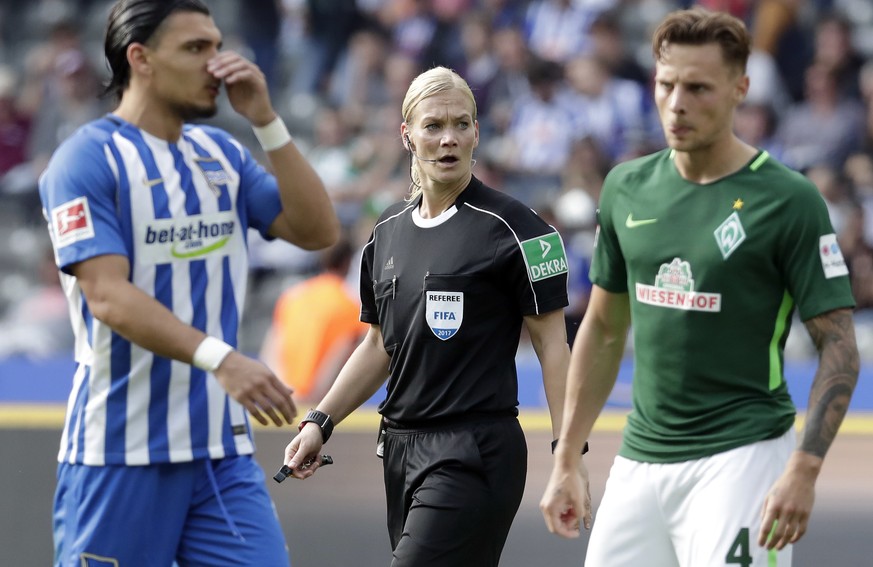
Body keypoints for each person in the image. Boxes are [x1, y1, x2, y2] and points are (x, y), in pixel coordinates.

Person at [540, 8, 859, 567]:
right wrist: (567, 454)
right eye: (666, 84)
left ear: (741, 89)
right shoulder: (626, 187)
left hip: (745, 459)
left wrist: (804, 469)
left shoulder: (789, 201)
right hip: (640, 461)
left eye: (698, 87)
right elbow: (605, 329)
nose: (677, 102)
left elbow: (839, 344)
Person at [38, 1, 340, 565]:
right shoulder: (84, 160)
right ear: (141, 58)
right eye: (195, 48)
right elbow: (107, 295)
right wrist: (222, 359)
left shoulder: (221, 154)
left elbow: (317, 229)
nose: (217, 64)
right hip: (120, 450)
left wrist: (266, 122)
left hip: (218, 453)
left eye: (217, 46)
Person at [281, 66, 572, 567]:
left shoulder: (522, 230)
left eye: (462, 124)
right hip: (399, 449)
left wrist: (570, 454)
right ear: (407, 135)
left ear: (477, 133)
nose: (448, 139)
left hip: (476, 450)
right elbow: (377, 346)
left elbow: (554, 346)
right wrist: (319, 422)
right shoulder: (386, 231)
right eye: (433, 126)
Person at [260, 235, 367, 404]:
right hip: (316, 404)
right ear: (348, 262)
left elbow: (273, 345)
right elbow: (338, 358)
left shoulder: (293, 296)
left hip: (283, 398)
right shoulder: (351, 307)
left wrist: (284, 391)